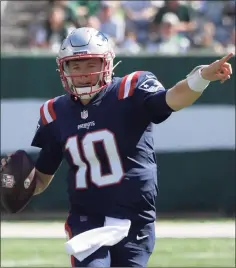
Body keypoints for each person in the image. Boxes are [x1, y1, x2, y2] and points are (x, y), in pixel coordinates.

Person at [0, 27, 233, 267]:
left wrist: (202, 77)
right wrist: (15, 184)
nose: (83, 73)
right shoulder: (55, 113)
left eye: (91, 64)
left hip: (136, 218)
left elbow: (172, 99)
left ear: (107, 63)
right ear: (64, 69)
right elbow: (40, 180)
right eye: (75, 66)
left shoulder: (130, 90)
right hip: (87, 219)